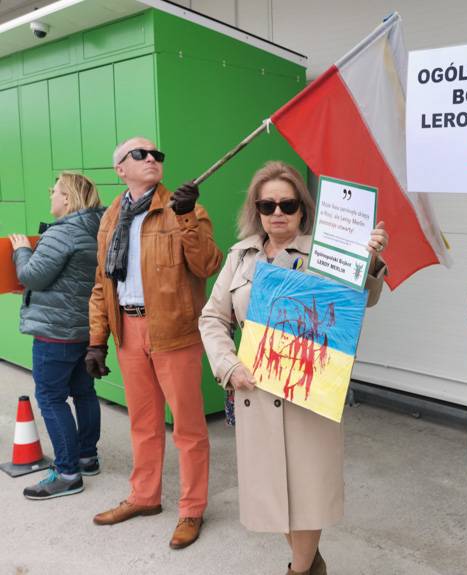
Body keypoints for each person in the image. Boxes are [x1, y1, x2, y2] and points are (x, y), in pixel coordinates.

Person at [199, 161, 388, 575]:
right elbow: (212, 318)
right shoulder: (240, 256)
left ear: (302, 209)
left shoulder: (329, 251)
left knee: (307, 494)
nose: (277, 213)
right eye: (267, 205)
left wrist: (367, 260)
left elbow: (362, 300)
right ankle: (312, 565)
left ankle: (300, 570)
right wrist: (227, 366)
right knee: (274, 497)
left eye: (287, 204)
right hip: (255, 392)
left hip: (309, 393)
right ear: (257, 210)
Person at [87, 137, 222, 549]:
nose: (152, 159)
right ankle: (145, 497)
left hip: (175, 332)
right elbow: (101, 283)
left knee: (188, 428)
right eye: (140, 155)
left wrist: (185, 218)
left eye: (157, 155)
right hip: (129, 330)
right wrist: (97, 340)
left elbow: (207, 264)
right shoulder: (112, 217)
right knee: (143, 424)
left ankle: (191, 508)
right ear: (120, 169)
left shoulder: (183, 208)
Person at [9, 172, 104, 500]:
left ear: (68, 199)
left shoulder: (62, 233)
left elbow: (32, 277)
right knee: (83, 392)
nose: (51, 196)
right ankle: (87, 457)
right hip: (84, 328)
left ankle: (67, 473)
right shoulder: (97, 229)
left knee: (50, 398)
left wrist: (21, 251)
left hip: (55, 332)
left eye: (55, 192)